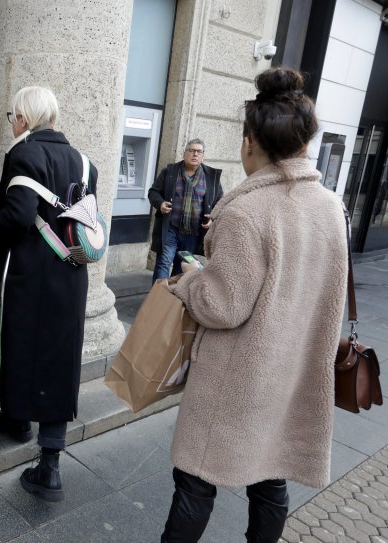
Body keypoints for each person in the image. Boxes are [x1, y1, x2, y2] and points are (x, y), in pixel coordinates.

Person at [160, 67, 349, 542]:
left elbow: (222, 306)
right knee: (271, 477)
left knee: (196, 480)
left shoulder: (246, 211)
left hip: (238, 376)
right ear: (303, 144)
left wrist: (190, 280)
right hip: (293, 370)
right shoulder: (330, 207)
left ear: (250, 143)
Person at [0, 86, 95, 503]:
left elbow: (19, 214)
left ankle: (17, 418)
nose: (11, 122)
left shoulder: (24, 153)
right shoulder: (85, 162)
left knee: (18, 345)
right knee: (58, 356)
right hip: (70, 271)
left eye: (12, 115)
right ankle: (50, 464)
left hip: (28, 272)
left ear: (24, 119)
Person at [148, 138, 223, 283]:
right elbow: (153, 192)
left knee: (181, 266)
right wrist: (161, 203)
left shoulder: (211, 177)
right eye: (191, 150)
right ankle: (156, 300)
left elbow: (220, 202)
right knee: (164, 262)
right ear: (184, 154)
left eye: (199, 151)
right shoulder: (170, 172)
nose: (195, 154)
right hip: (170, 228)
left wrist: (213, 218)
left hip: (193, 233)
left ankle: (171, 300)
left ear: (203, 156)